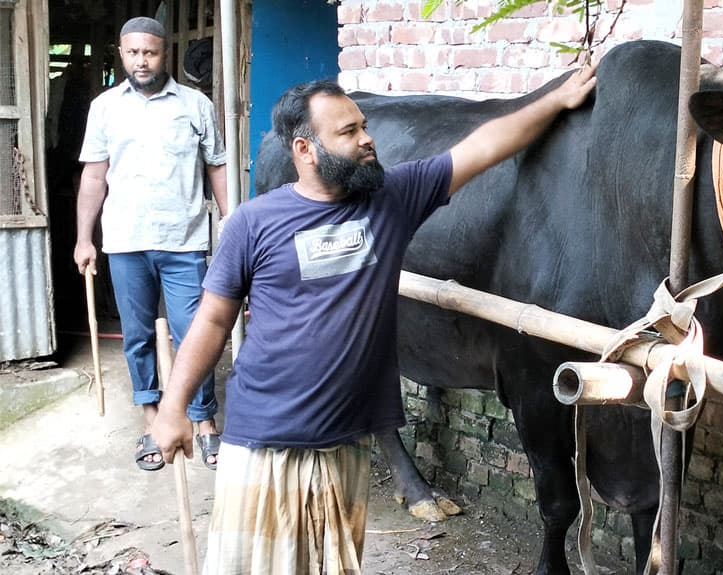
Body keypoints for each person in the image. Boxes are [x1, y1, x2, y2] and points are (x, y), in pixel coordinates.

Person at [151, 66, 596, 573]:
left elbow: (484, 147)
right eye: (348, 132)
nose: (368, 139)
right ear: (305, 150)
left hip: (345, 444)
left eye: (363, 126)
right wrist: (174, 409)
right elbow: (210, 322)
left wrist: (554, 101)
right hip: (263, 443)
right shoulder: (253, 223)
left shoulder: (392, 199)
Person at [74, 16, 226, 472]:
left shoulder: (196, 105)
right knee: (138, 336)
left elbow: (216, 166)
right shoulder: (104, 108)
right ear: (122, 54)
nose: (142, 61)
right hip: (125, 241)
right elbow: (94, 177)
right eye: (134, 53)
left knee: (194, 334)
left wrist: (234, 223)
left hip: (184, 241)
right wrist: (85, 238)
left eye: (151, 52)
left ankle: (204, 423)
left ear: (165, 54)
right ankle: (151, 419)